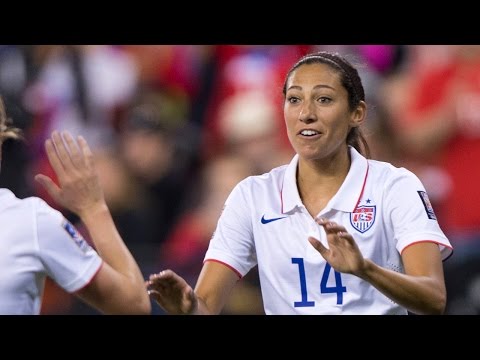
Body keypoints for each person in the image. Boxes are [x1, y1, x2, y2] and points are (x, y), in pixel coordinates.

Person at [147, 51, 453, 315]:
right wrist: (188, 309)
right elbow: (206, 305)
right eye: (294, 99)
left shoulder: (395, 186)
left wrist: (365, 269)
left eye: (323, 99)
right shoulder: (252, 196)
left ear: (356, 113)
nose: (306, 114)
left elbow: (434, 299)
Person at [0, 97, 151, 315]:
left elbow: (134, 307)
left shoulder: (33, 222)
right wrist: (94, 208)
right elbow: (135, 306)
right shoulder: (32, 221)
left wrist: (93, 209)